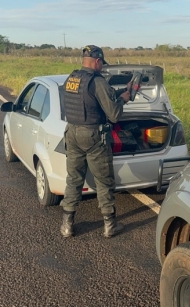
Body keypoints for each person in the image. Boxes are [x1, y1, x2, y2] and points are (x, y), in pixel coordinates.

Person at [60, 45, 131, 238]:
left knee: (74, 179)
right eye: (102, 64)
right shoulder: (98, 81)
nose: (102, 67)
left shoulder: (72, 78)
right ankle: (109, 225)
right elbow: (114, 114)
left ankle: (67, 225)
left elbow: (90, 101)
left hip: (72, 132)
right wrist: (124, 99)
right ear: (98, 61)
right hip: (93, 136)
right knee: (103, 180)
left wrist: (120, 92)